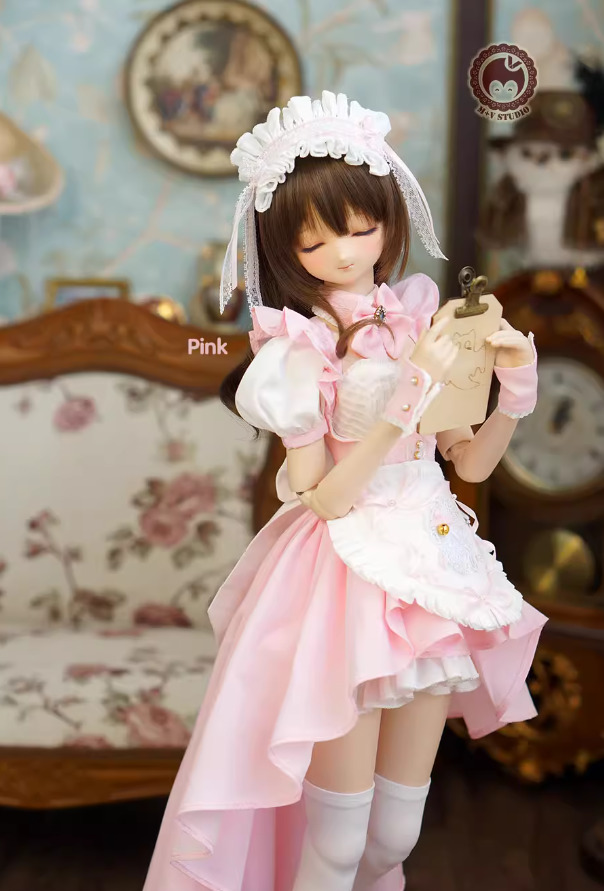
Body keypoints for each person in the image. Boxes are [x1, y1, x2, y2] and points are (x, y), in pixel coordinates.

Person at [142, 91, 547, 891]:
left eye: (363, 227)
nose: (346, 250)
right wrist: (403, 402)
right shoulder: (294, 349)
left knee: (395, 834)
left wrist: (517, 392)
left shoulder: (420, 320)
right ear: (285, 246)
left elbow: (467, 464)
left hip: (431, 575)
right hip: (340, 580)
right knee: (335, 841)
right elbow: (320, 496)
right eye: (316, 238)